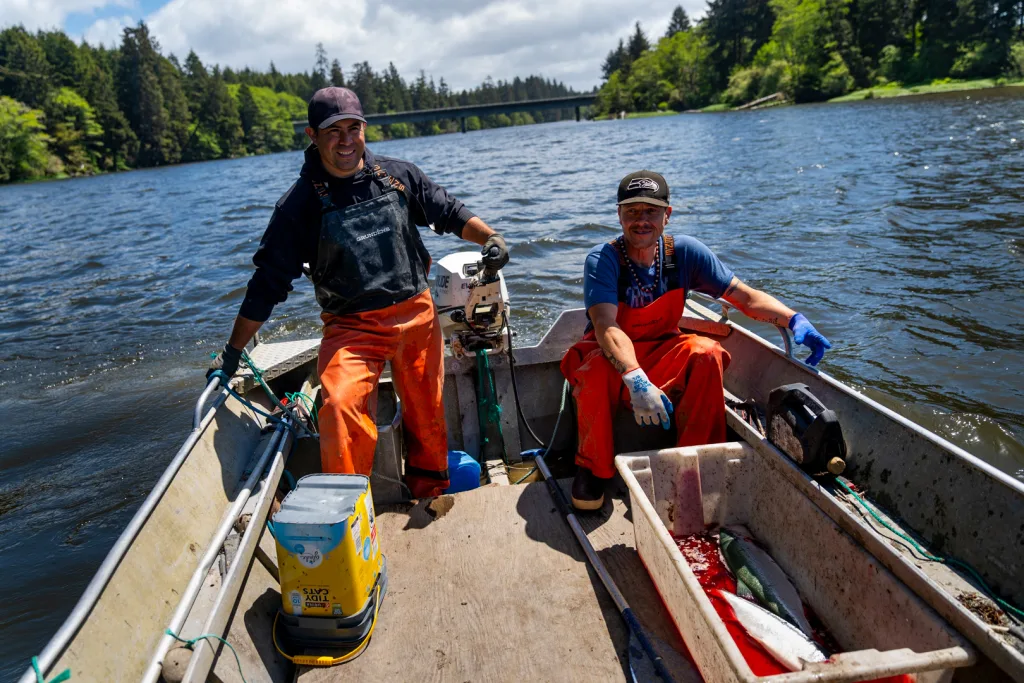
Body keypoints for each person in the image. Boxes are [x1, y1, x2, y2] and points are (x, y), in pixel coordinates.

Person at [207, 87, 508, 499]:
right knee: (339, 407)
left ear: (365, 129)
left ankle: (429, 493)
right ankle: (349, 513)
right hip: (352, 329)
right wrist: (232, 354)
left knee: (429, 415)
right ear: (313, 136)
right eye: (334, 131)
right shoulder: (297, 208)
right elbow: (266, 287)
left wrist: (489, 237)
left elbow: (448, 211)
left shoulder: (398, 176)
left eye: (354, 128)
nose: (346, 140)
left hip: (417, 316)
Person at [560, 171, 830, 510]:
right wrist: (635, 378)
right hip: (613, 358)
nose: (641, 220)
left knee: (706, 352)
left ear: (667, 215)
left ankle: (695, 463)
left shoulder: (685, 253)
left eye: (651, 211)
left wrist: (792, 319)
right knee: (596, 368)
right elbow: (605, 326)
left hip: (662, 350)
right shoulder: (603, 259)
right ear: (619, 215)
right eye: (631, 211)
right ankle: (593, 469)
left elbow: (743, 297)